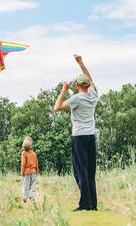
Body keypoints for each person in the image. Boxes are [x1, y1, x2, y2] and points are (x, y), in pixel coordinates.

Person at [53, 54, 99, 211]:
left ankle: (85, 204)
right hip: (91, 136)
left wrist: (63, 90)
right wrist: (81, 63)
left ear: (77, 84)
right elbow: (90, 79)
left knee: (80, 170)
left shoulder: (76, 98)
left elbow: (56, 108)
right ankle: (92, 204)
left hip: (79, 137)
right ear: (87, 85)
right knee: (90, 171)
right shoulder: (93, 95)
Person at [21, 136, 38, 203]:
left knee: (26, 185)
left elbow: (23, 164)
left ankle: (25, 197)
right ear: (30, 146)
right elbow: (36, 163)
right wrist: (36, 172)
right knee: (33, 185)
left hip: (27, 172)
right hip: (33, 172)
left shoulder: (23, 153)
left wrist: (22, 172)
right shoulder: (34, 153)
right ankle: (32, 196)